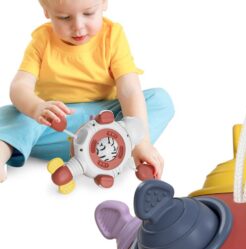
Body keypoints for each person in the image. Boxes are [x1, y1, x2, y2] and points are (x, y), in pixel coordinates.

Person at [0, 0, 174, 183]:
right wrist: (36, 107)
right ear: (46, 11)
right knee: (12, 114)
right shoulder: (42, 41)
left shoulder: (112, 36)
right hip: (59, 125)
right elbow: (20, 86)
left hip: (106, 124)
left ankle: (128, 145)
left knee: (160, 100)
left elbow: (129, 90)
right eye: (64, 17)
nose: (78, 27)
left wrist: (142, 140)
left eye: (88, 13)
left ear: (104, 3)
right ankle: (3, 149)